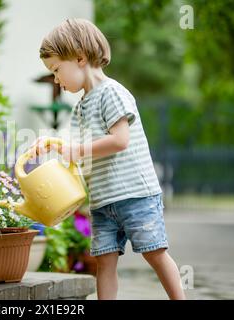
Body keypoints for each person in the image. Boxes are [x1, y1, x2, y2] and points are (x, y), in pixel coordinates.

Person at [32, 18, 186, 300]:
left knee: (155, 252)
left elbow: (119, 140)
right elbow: (82, 149)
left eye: (56, 70)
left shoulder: (111, 93)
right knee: (104, 261)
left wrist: (77, 150)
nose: (56, 80)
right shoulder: (81, 106)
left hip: (136, 195)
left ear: (79, 58)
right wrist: (53, 145)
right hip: (103, 201)